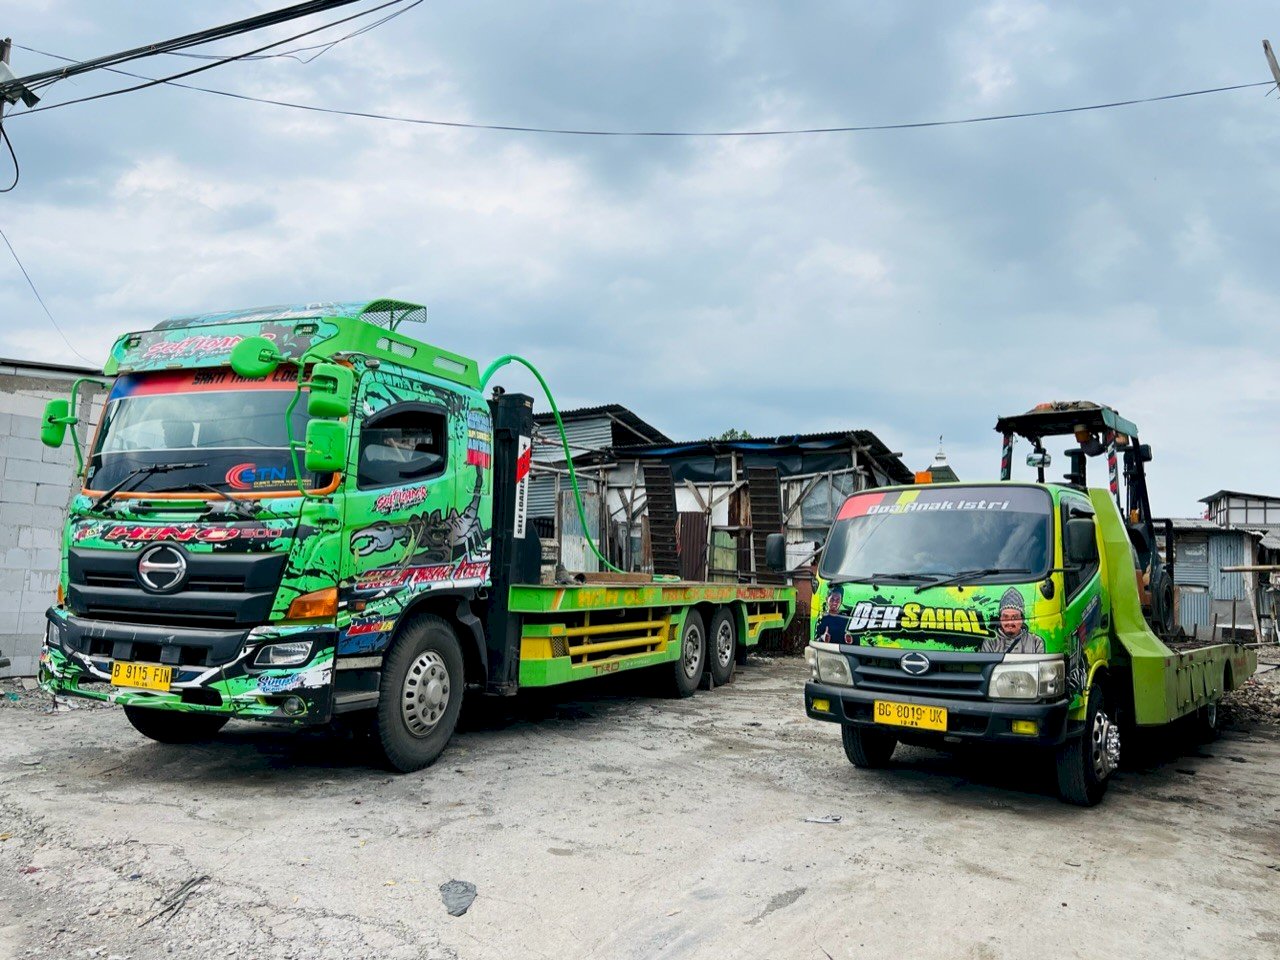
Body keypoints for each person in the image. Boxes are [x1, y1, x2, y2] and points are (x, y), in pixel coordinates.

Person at [980, 587, 1046, 654]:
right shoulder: (990, 642)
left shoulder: (1036, 642)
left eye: (1015, 617)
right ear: (1000, 619)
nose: (1010, 622)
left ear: (1022, 619)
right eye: (1005, 617)